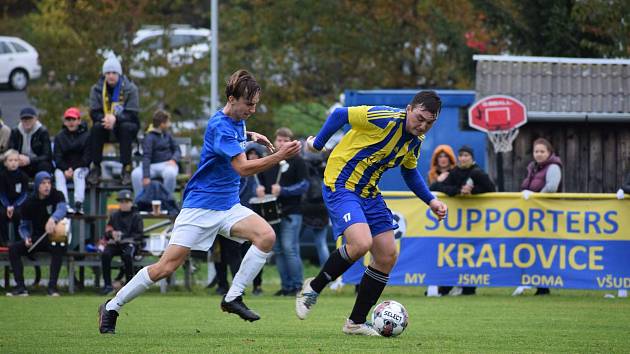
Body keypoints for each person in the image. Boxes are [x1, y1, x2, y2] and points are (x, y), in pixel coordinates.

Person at [98, 69, 302, 334]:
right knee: (165, 267)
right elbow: (242, 168)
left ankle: (232, 297)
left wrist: (251, 135)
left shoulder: (235, 119)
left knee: (266, 236)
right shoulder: (221, 126)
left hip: (228, 206)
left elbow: (234, 133)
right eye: (248, 104)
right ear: (232, 98)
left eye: (255, 104)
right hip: (201, 206)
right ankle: (112, 306)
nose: (252, 109)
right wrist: (280, 155)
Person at [295, 91, 448, 336]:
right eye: (420, 118)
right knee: (361, 243)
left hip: (369, 192)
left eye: (430, 123)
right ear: (409, 109)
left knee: (387, 256)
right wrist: (318, 144)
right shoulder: (384, 117)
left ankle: (355, 322)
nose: (423, 126)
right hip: (341, 183)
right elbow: (339, 114)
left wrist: (431, 200)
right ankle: (313, 287)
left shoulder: (414, 142)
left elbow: (409, 173)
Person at [430, 145, 495, 296]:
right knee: (452, 254)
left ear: (472, 158)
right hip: (456, 223)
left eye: (467, 155)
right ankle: (446, 287)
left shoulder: (477, 173)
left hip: (476, 222)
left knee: (472, 253)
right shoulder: (455, 172)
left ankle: (469, 288)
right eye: (461, 155)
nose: (464, 158)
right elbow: (436, 186)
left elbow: (491, 190)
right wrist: (458, 191)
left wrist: (473, 192)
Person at [257, 128, 308, 296]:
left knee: (289, 248)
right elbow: (262, 182)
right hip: (272, 213)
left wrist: (284, 190)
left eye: (286, 140)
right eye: (279, 140)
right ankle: (286, 287)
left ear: (292, 142)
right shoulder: (270, 161)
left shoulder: (298, 161)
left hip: (291, 211)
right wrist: (260, 189)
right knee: (278, 249)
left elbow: (304, 185)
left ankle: (297, 286)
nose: (282, 143)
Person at [513, 137, 562, 296]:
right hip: (532, 215)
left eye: (542, 151)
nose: (539, 154)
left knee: (545, 250)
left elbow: (552, 187)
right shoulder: (532, 168)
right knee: (532, 249)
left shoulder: (553, 167)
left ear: (549, 152)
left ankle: (543, 286)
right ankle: (534, 284)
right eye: (536, 151)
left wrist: (534, 197)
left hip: (546, 214)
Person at [6, 171, 68, 296]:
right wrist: (26, 237)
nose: (47, 186)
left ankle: (52, 288)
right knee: (13, 249)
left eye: (49, 183)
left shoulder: (57, 195)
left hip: (53, 237)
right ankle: (20, 287)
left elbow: (62, 209)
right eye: (43, 183)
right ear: (37, 185)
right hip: (36, 238)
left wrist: (53, 219)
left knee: (59, 247)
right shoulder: (29, 202)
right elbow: (24, 226)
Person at [87, 55, 140, 186]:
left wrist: (116, 119)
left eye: (114, 73)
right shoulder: (97, 89)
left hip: (125, 124)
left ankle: (126, 168)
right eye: (108, 73)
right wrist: (104, 118)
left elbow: (132, 113)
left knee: (126, 128)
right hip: (105, 123)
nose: (111, 76)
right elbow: (94, 112)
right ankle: (96, 168)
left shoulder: (130, 88)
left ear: (119, 74)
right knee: (96, 128)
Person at [100, 190, 144, 295]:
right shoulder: (114, 215)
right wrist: (112, 234)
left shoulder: (136, 216)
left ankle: (129, 285)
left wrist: (124, 237)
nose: (124, 204)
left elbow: (139, 235)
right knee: (105, 254)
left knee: (127, 255)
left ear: (131, 202)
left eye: (126, 201)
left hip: (130, 243)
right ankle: (107, 285)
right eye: (121, 201)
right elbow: (107, 231)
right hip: (115, 244)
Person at [131, 110, 181, 197]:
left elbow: (177, 149)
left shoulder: (168, 135)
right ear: (162, 124)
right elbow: (146, 157)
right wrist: (146, 176)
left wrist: (174, 160)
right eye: (168, 122)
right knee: (135, 174)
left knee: (170, 174)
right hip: (151, 167)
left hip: (167, 165)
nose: (169, 124)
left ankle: (167, 201)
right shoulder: (149, 137)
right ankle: (140, 202)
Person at [53, 107, 91, 215]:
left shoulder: (87, 136)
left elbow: (87, 158)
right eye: (68, 120)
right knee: (58, 174)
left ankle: (79, 204)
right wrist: (65, 169)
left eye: (73, 119)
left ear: (79, 120)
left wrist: (73, 170)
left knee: (78, 173)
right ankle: (63, 204)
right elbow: (57, 157)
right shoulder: (59, 137)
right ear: (64, 122)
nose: (71, 122)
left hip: (81, 168)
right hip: (64, 168)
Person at [300, 148, 331, 267]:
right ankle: (328, 274)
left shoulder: (303, 165)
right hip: (322, 207)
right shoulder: (327, 166)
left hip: (305, 206)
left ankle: (295, 276)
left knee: (292, 244)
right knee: (321, 243)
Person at [9, 107, 53, 177]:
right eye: (24, 119)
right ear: (20, 120)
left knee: (45, 165)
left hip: (37, 162)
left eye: (30, 119)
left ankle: (44, 186)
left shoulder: (42, 132)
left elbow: (47, 155)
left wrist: (30, 160)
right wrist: (18, 157)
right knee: (9, 164)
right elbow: (11, 150)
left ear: (35, 119)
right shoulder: (15, 132)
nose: (27, 121)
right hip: (21, 162)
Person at [0, 150, 29, 245]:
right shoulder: (2, 176)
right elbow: (2, 194)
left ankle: (19, 239)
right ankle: (4, 240)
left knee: (19, 213)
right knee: (1, 213)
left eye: (16, 160)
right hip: (5, 203)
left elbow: (24, 194)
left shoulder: (23, 176)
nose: (13, 163)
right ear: (5, 163)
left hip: (18, 203)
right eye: (10, 160)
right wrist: (8, 206)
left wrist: (14, 206)